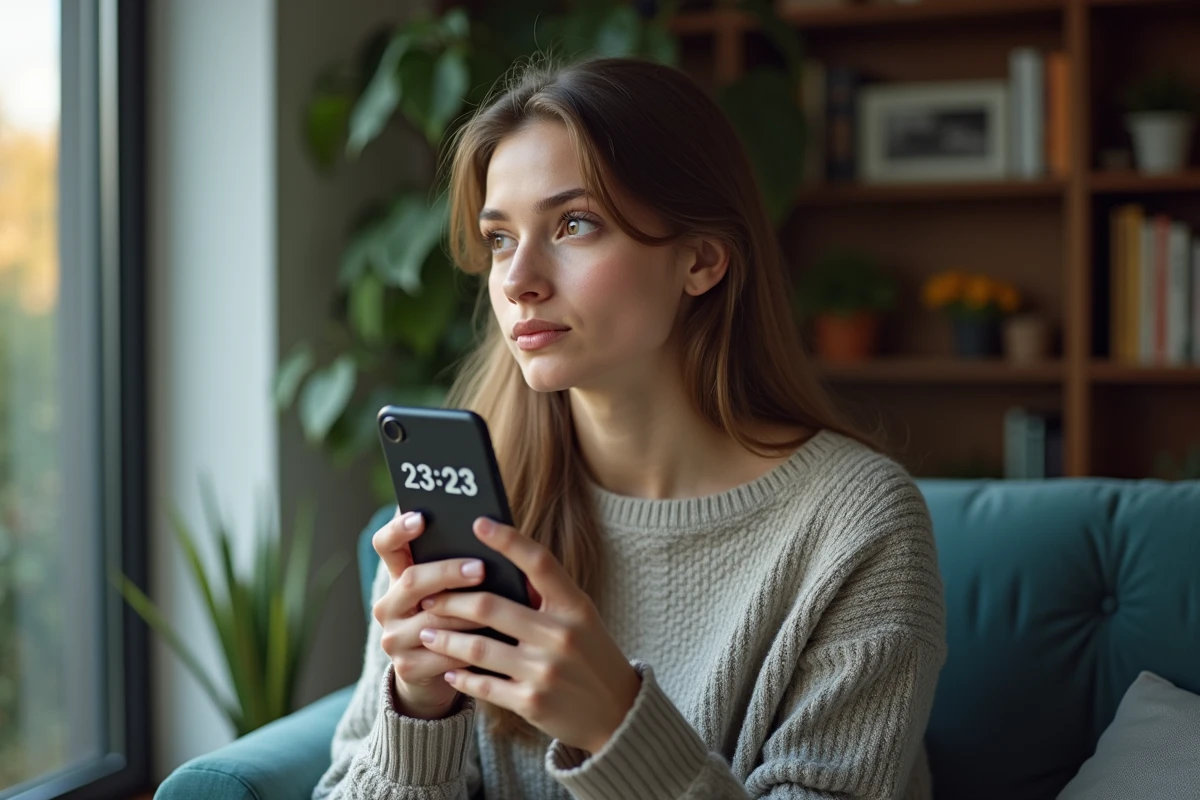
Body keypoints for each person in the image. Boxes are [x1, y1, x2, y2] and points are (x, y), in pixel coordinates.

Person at [313, 54, 946, 800]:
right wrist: (420, 711)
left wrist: (616, 726)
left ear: (702, 260)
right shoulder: (481, 496)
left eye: (574, 224)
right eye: (500, 239)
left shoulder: (857, 524)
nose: (517, 283)